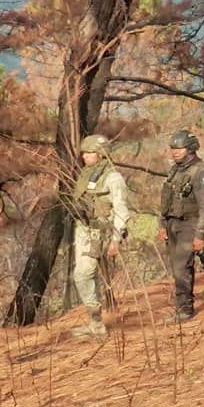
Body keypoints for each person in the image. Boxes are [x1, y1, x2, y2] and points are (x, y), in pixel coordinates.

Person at [69, 134, 131, 338]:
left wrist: (116, 239)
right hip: (83, 229)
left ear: (101, 154)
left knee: (83, 274)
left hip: (100, 232)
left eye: (90, 152)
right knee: (83, 275)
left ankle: (97, 323)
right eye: (84, 153)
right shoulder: (86, 174)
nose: (85, 156)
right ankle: (95, 322)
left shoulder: (113, 178)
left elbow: (121, 210)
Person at [158, 130, 204, 322]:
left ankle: (184, 310)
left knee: (182, 267)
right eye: (172, 148)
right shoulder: (175, 170)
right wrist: (162, 224)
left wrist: (200, 234)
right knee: (177, 267)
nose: (174, 152)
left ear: (190, 149)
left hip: (190, 224)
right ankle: (182, 306)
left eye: (179, 148)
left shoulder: (202, 172)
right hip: (173, 223)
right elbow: (166, 199)